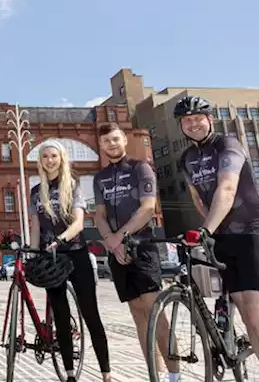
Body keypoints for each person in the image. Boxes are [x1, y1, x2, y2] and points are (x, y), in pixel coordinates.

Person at [175, 95, 259, 382]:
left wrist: (206, 230)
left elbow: (226, 188)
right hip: (220, 237)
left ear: (209, 119)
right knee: (248, 319)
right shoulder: (186, 159)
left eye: (197, 118)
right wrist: (208, 229)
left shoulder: (227, 145)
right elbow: (199, 199)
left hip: (251, 231)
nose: (192, 124)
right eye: (186, 121)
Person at [92, 123, 179, 382]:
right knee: (137, 314)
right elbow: (99, 214)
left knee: (154, 311)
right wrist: (111, 241)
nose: (111, 144)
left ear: (124, 140)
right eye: (106, 141)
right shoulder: (100, 178)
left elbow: (148, 208)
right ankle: (157, 373)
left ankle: (175, 376)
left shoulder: (141, 168)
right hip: (117, 251)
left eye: (115, 139)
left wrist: (120, 237)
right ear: (102, 146)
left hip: (142, 248)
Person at [28, 139, 111, 382]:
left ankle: (106, 371)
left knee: (90, 313)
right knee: (60, 316)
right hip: (51, 259)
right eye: (45, 157)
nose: (49, 160)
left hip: (75, 253)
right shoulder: (36, 192)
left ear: (61, 158)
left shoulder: (73, 186)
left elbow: (78, 223)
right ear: (40, 162)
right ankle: (70, 373)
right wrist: (33, 253)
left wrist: (61, 239)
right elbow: (35, 228)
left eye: (53, 156)